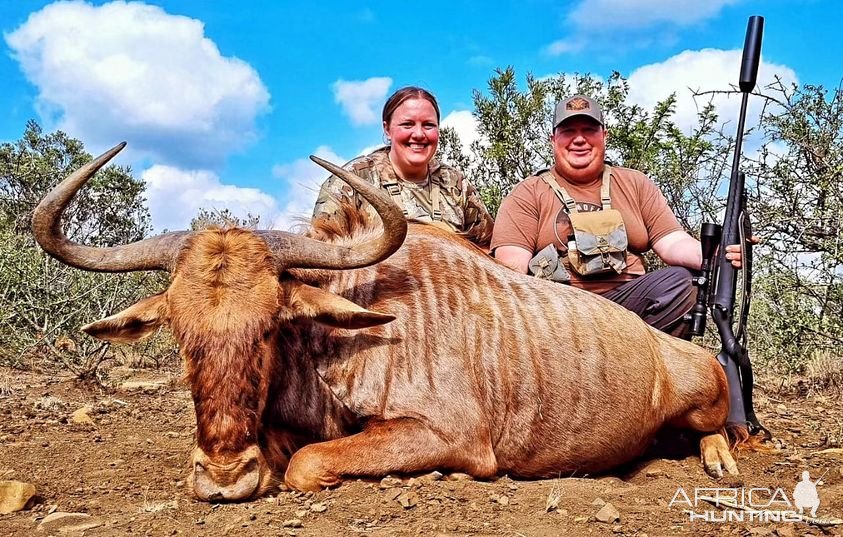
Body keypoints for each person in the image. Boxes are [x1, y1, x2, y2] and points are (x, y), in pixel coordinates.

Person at [492, 95, 749, 339]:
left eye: (589, 130)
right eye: (568, 131)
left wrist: (715, 253)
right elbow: (511, 267)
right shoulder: (527, 192)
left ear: (604, 135)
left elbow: (672, 242)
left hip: (629, 308)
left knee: (685, 283)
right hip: (562, 312)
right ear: (553, 139)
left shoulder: (635, 183)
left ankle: (639, 368)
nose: (579, 139)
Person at [312, 86, 494, 247]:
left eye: (429, 125)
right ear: (387, 129)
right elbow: (323, 253)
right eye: (407, 124)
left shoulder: (455, 183)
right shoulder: (350, 181)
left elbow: (487, 247)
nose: (419, 134)